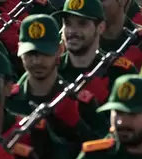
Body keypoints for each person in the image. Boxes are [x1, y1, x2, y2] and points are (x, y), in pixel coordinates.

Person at [9, 14, 107, 142]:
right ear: (19, 51)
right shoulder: (9, 100)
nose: (37, 61)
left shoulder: (79, 102)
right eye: (30, 54)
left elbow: (104, 147)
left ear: (60, 50)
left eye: (45, 53)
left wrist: (78, 125)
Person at [56, 0, 138, 104]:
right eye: (68, 23)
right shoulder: (52, 69)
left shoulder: (119, 71)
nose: (72, 31)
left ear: (100, 27)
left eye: (82, 23)